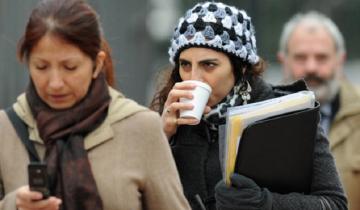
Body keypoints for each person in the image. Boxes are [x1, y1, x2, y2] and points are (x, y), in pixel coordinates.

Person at [150, 2, 348, 210]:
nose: (194, 77)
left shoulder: (288, 112)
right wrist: (160, 137)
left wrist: (266, 203)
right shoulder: (168, 118)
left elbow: (334, 204)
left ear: (241, 66)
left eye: (209, 65)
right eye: (185, 64)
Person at [0, 0, 190, 210]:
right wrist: (12, 205)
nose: (55, 83)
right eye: (41, 66)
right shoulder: (6, 129)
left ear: (96, 64)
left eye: (70, 67)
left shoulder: (141, 127)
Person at [277, 11, 360, 210]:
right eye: (300, 57)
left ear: (340, 60)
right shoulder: (259, 118)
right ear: (283, 60)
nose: (311, 67)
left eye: (322, 57)